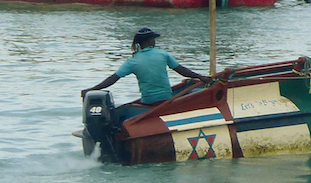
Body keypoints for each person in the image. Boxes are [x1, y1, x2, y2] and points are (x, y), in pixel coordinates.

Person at [81, 29, 212, 119]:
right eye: (153, 39)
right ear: (149, 41)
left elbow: (113, 79)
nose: (155, 41)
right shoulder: (162, 54)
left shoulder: (132, 61)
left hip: (147, 101)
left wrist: (93, 89)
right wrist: (201, 77)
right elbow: (182, 71)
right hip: (166, 100)